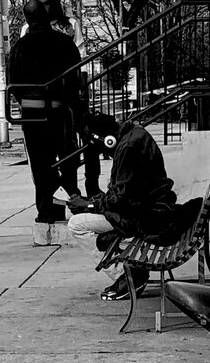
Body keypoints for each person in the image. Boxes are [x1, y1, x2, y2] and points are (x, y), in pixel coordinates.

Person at [66, 107, 187, 296]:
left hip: (144, 216)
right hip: (150, 209)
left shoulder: (128, 148)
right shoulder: (134, 135)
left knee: (76, 225)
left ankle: (127, 276)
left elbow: (121, 200)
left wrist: (89, 206)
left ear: (107, 139)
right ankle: (122, 262)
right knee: (87, 216)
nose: (103, 152)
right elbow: (124, 192)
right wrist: (93, 202)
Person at [5, 0, 85, 246]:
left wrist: (27, 101)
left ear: (28, 18)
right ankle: (73, 199)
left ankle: (45, 210)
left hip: (31, 114)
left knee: (40, 164)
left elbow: (12, 81)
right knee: (68, 158)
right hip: (61, 111)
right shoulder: (64, 43)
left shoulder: (19, 48)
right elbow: (75, 77)